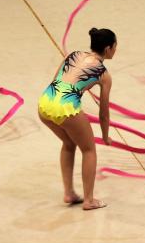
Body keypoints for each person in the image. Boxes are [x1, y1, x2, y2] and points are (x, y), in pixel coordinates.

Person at [38, 27, 116, 210]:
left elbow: (56, 80)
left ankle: (69, 193)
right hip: (66, 108)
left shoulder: (73, 54)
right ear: (108, 49)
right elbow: (104, 113)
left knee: (69, 143)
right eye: (115, 46)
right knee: (89, 150)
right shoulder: (103, 75)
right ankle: (89, 200)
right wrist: (105, 136)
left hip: (45, 102)